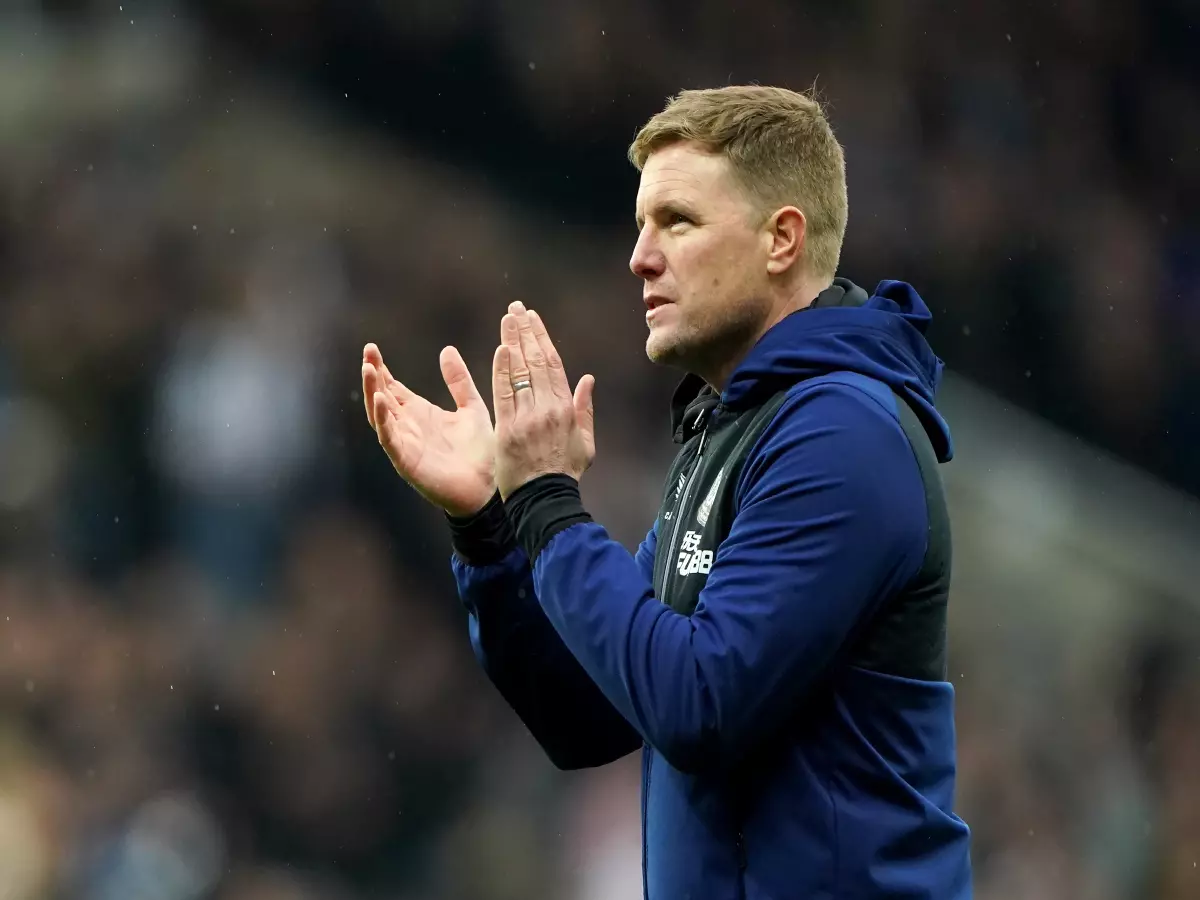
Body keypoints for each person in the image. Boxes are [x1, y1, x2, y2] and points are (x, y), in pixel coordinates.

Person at [362, 85, 972, 899]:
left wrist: (546, 498)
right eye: (642, 224)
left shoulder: (843, 437)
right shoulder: (731, 431)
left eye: (677, 222)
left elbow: (699, 705)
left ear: (781, 240)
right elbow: (584, 711)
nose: (640, 257)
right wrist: (491, 525)